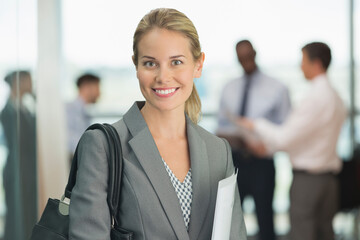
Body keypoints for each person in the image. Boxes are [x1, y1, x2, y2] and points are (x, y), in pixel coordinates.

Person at [69, 8, 247, 240]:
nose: (163, 77)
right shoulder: (102, 145)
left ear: (198, 65)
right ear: (136, 66)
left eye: (176, 62)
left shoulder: (218, 150)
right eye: (150, 64)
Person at [239, 42, 346, 240]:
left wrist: (256, 125)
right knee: (325, 234)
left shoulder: (315, 98)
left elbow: (283, 139)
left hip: (308, 182)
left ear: (316, 64)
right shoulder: (336, 97)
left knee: (302, 234)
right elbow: (307, 138)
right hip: (330, 181)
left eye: (303, 60)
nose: (300, 66)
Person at [217, 40, 291, 240]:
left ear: (256, 54)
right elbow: (220, 128)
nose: (245, 61)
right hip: (235, 162)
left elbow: (285, 130)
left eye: (248, 56)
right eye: (241, 58)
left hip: (262, 162)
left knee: (265, 219)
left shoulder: (277, 88)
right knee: (229, 220)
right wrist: (239, 137)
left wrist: (263, 143)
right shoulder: (229, 88)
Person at [0, 70, 37, 240]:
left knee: (28, 211)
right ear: (19, 83)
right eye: (28, 81)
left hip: (26, 169)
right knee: (17, 214)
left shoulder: (23, 108)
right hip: (17, 170)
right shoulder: (8, 111)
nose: (31, 85)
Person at [65, 73, 100, 159]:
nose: (99, 93)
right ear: (86, 87)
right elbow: (69, 140)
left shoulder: (84, 112)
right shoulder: (69, 110)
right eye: (97, 88)